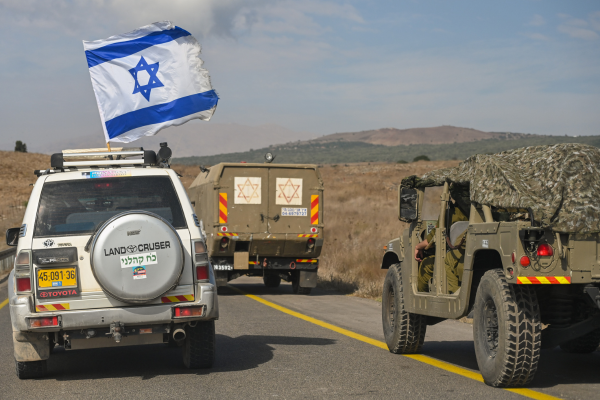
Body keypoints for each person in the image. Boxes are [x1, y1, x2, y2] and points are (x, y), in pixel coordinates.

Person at [415, 187, 469, 294]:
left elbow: (431, 240)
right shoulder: (483, 211)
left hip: (460, 254)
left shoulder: (451, 213)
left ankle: (424, 303)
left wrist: (418, 247)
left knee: (426, 266)